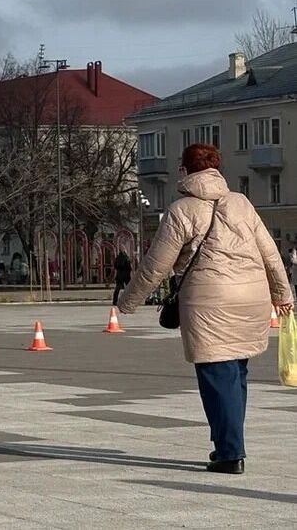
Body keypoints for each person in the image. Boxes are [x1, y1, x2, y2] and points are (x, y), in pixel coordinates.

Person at [117, 144, 293, 475]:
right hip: (251, 298)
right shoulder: (241, 203)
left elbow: (156, 264)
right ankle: (231, 445)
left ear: (185, 171)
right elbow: (270, 252)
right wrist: (283, 294)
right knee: (236, 372)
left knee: (217, 375)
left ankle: (229, 453)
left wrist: (128, 300)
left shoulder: (181, 210)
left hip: (210, 301)